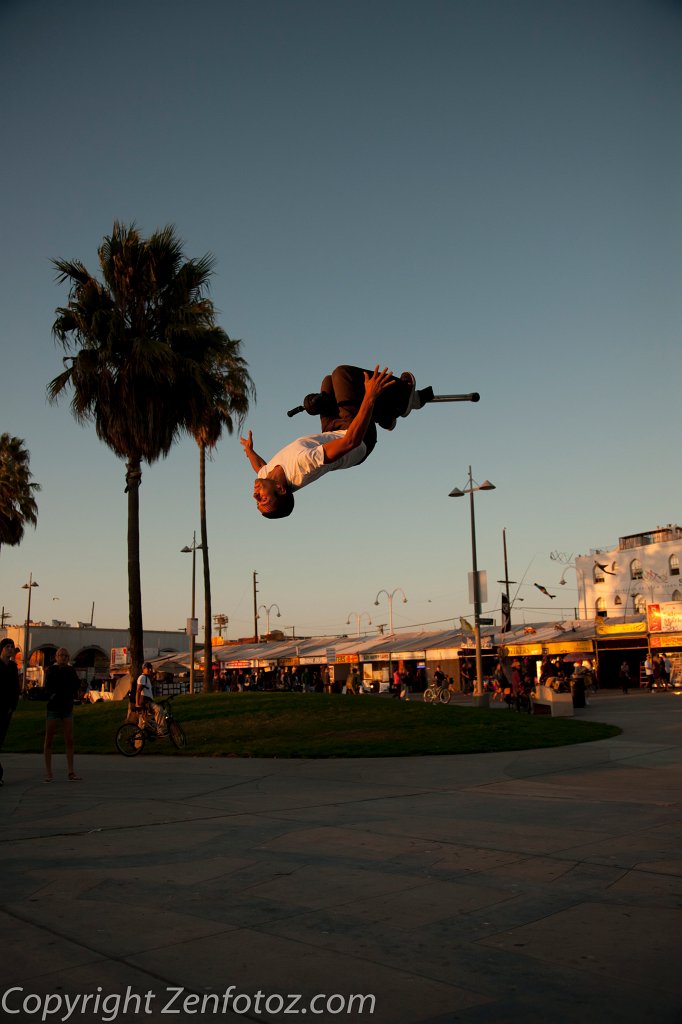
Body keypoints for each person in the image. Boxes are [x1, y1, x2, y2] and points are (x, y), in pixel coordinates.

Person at [241, 364, 431, 518]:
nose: (255, 496)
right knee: (342, 374)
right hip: (359, 439)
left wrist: (250, 451)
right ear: (281, 489)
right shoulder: (303, 465)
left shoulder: (267, 475)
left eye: (257, 502)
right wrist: (370, 396)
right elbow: (351, 442)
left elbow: (259, 467)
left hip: (332, 431)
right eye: (263, 500)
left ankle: (385, 415)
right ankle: (406, 398)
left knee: (328, 384)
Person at [43, 647, 82, 783]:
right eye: (61, 655)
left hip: (67, 707)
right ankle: (49, 773)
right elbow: (48, 687)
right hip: (54, 708)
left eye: (65, 655)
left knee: (69, 739)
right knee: (49, 739)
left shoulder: (70, 671)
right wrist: (53, 695)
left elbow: (76, 685)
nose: (63, 658)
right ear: (56, 657)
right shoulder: (52, 670)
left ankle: (71, 772)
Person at [0, 637, 21, 787]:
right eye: (7, 646)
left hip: (6, 710)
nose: (10, 649)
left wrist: (12, 706)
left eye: (12, 646)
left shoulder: (13, 667)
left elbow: (15, 688)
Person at [135, 662, 166, 734]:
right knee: (159, 710)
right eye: (148, 668)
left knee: (142, 725)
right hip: (145, 702)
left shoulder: (147, 678)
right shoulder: (142, 677)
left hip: (148, 702)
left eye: (150, 668)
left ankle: (138, 743)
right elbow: (138, 691)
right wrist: (137, 704)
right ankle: (160, 730)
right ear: (143, 669)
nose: (149, 670)